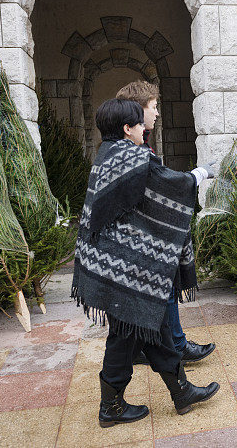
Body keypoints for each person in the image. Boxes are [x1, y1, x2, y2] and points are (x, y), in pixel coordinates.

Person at [72, 98, 219, 428]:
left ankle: (180, 392)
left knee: (147, 328)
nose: (144, 129)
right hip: (123, 269)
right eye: (140, 125)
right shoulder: (134, 158)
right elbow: (171, 183)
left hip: (107, 263)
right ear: (127, 129)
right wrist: (202, 173)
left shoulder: (106, 156)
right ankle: (112, 408)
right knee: (129, 334)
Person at [115, 81, 215, 365]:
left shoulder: (135, 145)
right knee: (162, 289)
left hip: (143, 236)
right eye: (154, 107)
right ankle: (173, 349)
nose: (157, 113)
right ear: (138, 111)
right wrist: (198, 175)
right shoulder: (131, 149)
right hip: (142, 238)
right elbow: (163, 183)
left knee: (162, 292)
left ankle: (169, 347)